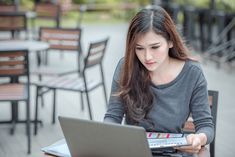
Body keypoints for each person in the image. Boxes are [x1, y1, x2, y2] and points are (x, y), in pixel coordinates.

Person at [104, 5, 214, 156]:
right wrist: (103, 137)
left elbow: (206, 126)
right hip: (133, 152)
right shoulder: (126, 67)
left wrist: (199, 138)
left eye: (155, 47)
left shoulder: (192, 73)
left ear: (170, 41)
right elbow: (112, 117)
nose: (147, 57)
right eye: (139, 48)